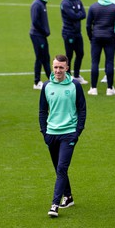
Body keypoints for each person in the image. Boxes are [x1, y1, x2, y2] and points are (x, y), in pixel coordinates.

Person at [39, 54, 86, 218]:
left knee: (61, 168)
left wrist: (77, 132)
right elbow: (42, 111)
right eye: (56, 67)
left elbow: (82, 109)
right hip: (52, 134)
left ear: (67, 68)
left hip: (68, 134)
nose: (58, 70)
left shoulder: (75, 86)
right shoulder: (46, 86)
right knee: (59, 169)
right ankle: (69, 197)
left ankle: (54, 205)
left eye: (61, 67)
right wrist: (44, 132)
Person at [86, 0, 115, 96]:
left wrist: (91, 37)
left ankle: (93, 88)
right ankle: (110, 88)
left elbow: (88, 25)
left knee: (95, 62)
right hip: (109, 37)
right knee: (109, 62)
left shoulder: (93, 7)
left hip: (96, 37)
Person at [60, 0, 88, 84]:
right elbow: (73, 16)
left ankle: (76, 75)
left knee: (80, 53)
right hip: (69, 33)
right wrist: (77, 14)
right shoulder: (65, 2)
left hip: (77, 33)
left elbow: (83, 14)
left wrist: (77, 14)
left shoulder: (78, 1)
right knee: (69, 55)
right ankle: (68, 76)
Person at [30, 0, 52, 90]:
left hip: (41, 35)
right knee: (40, 57)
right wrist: (45, 31)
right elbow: (35, 21)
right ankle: (37, 82)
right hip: (37, 35)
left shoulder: (42, 3)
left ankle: (51, 79)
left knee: (46, 57)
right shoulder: (37, 4)